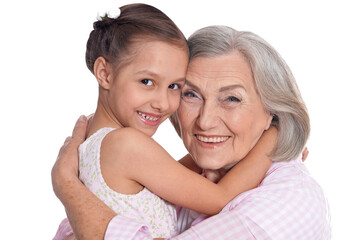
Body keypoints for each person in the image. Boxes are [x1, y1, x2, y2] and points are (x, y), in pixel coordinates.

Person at [52, 26, 331, 239]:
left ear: (272, 111)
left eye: (232, 99)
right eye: (190, 94)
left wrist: (67, 187)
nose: (206, 121)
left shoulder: (287, 202)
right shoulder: (198, 174)